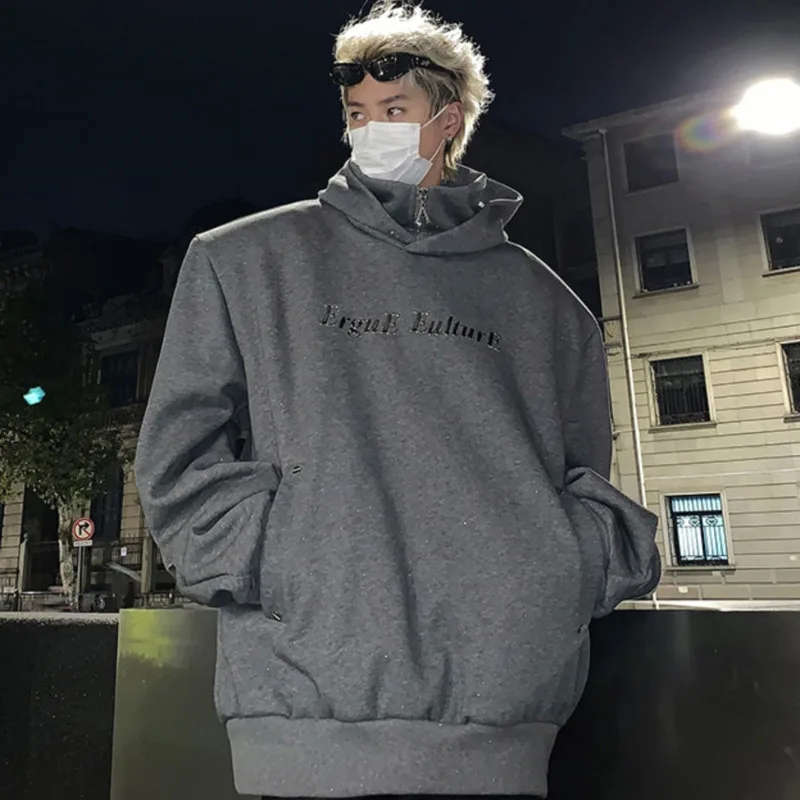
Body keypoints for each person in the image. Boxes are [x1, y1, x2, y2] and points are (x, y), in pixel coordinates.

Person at [134, 2, 661, 798]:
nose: (368, 129)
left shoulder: (547, 305)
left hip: (507, 712)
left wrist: (553, 569)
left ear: (448, 122)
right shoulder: (244, 261)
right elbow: (175, 460)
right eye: (357, 113)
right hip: (301, 700)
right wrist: (285, 557)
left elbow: (581, 474)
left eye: (392, 110)